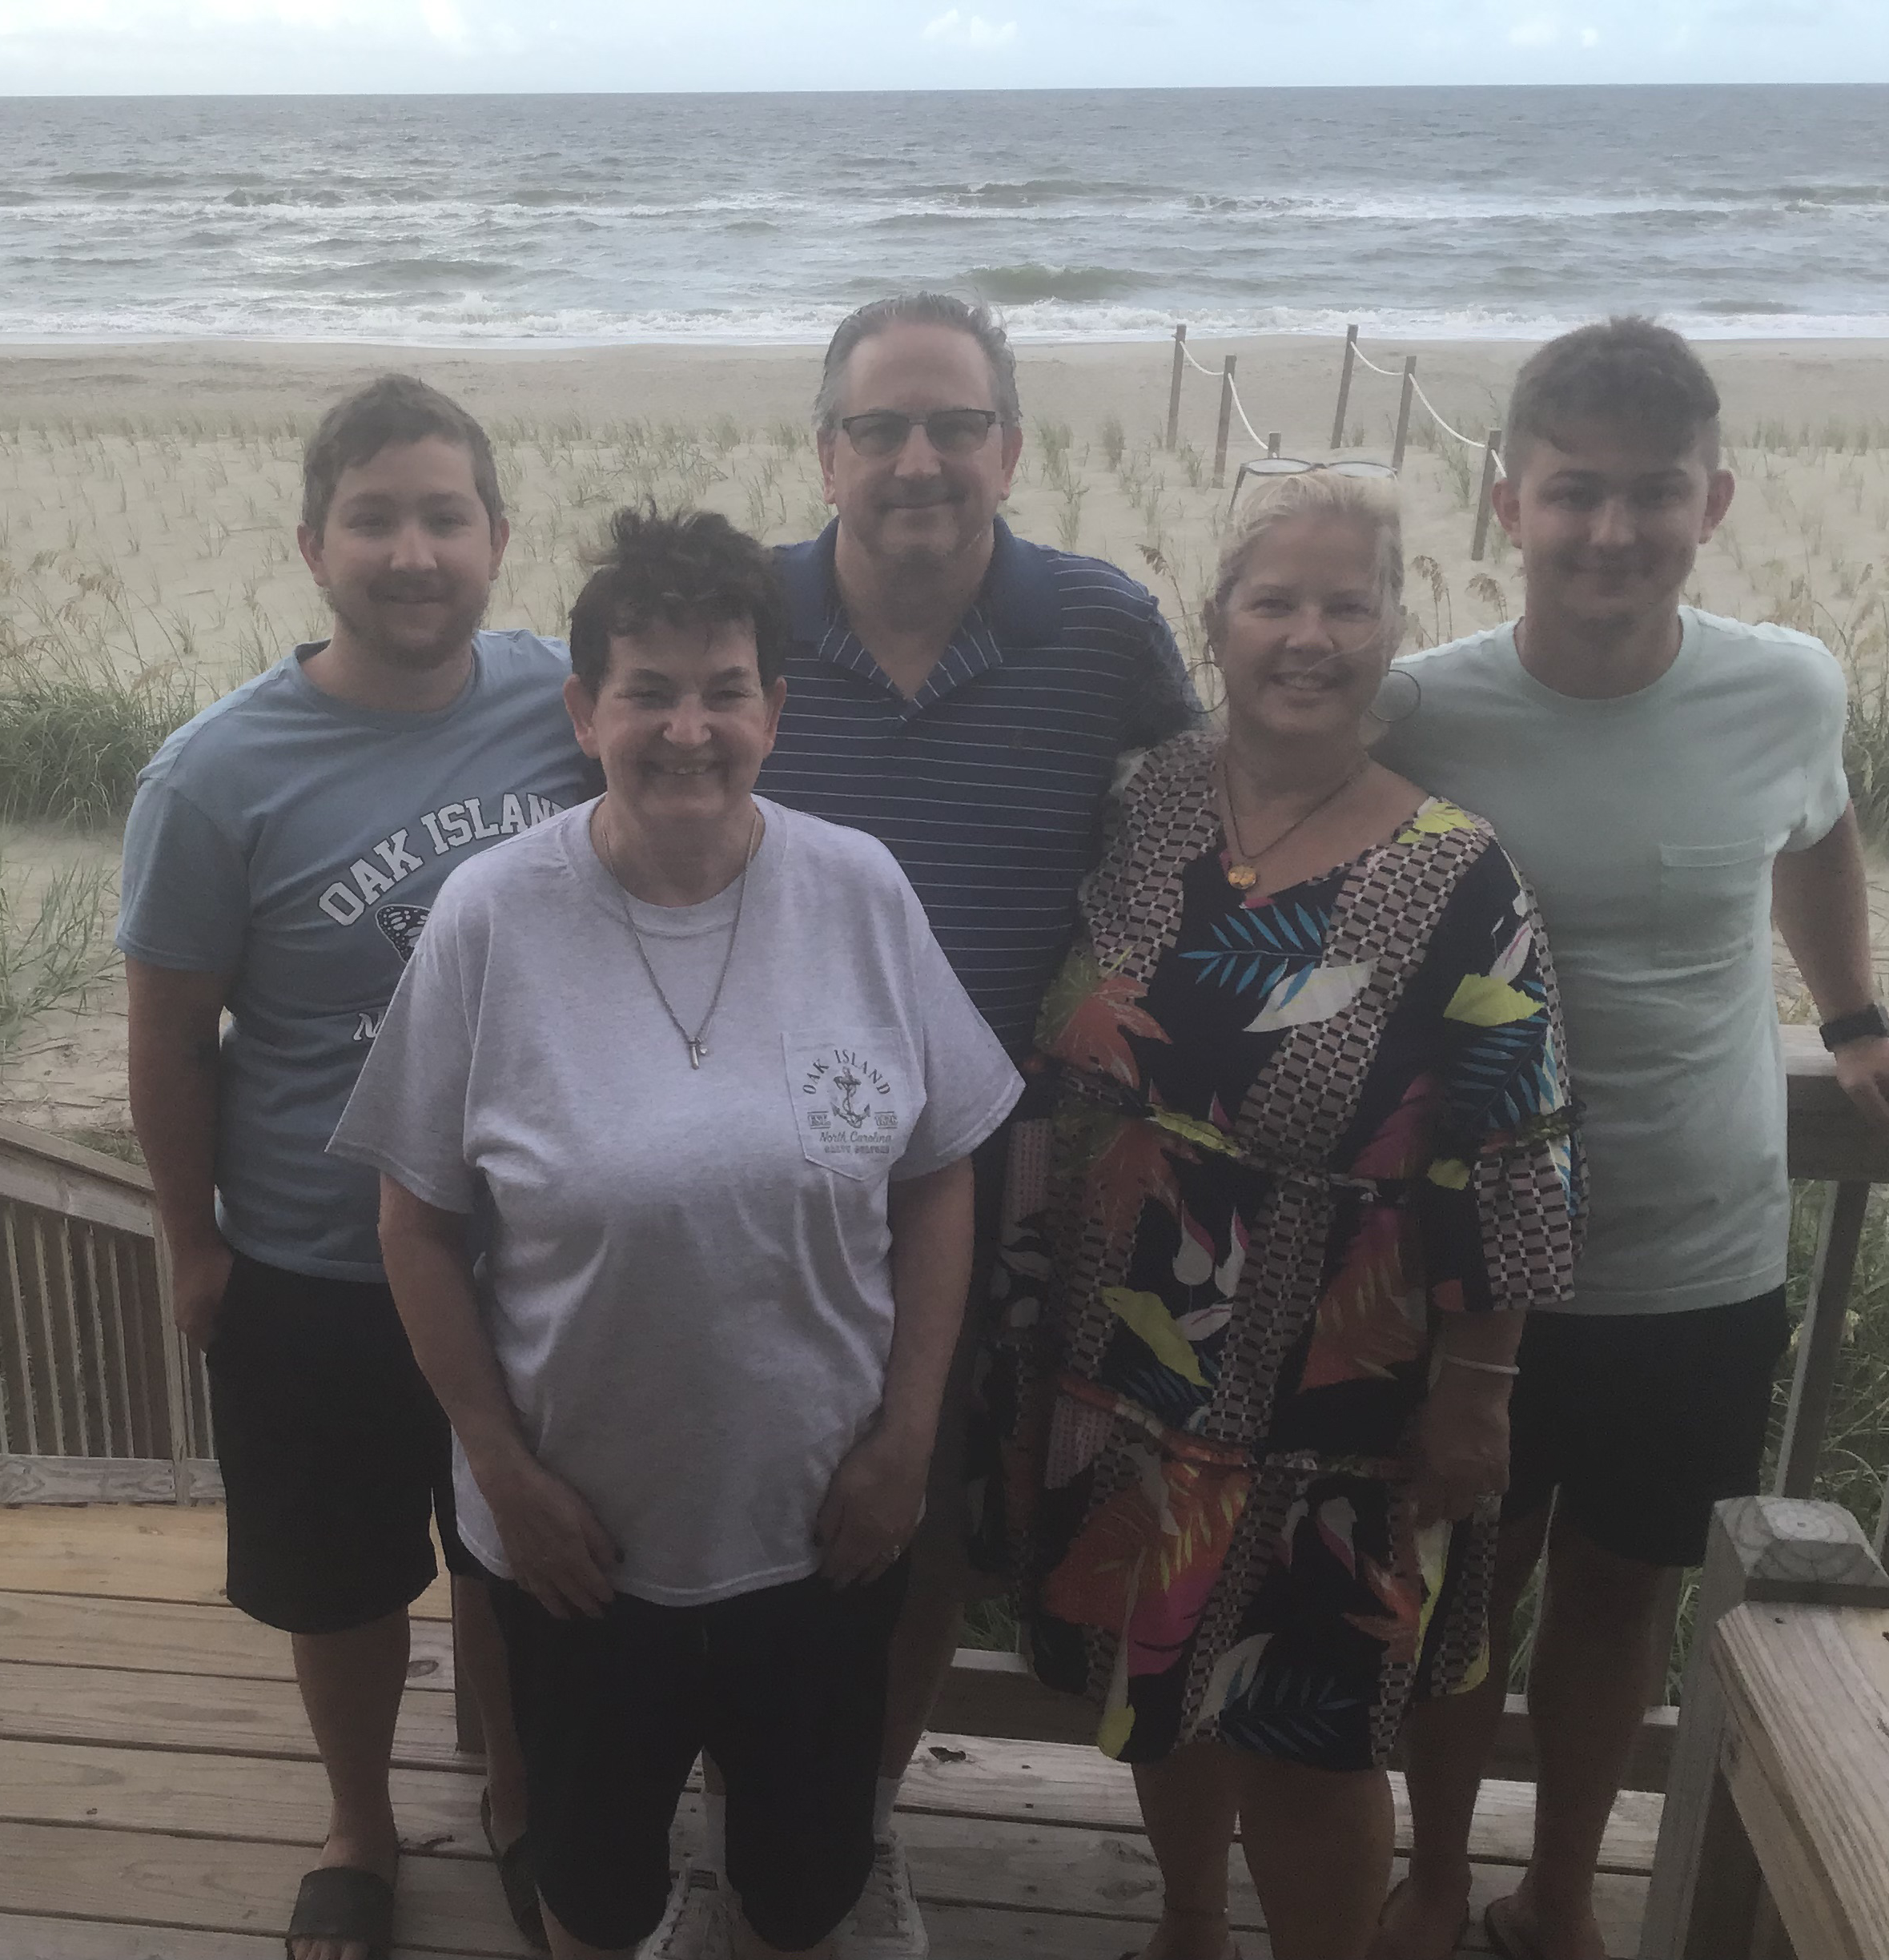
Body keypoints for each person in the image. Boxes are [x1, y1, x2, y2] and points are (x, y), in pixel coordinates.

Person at [328, 507, 1023, 1960]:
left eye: (724, 690)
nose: (689, 729)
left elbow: (940, 1172)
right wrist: (504, 1476)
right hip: (583, 1547)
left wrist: (906, 1441)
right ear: (587, 711)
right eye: (649, 691)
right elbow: (416, 1221)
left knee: (798, 1891)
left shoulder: (860, 892)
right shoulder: (491, 918)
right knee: (596, 1897)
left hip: (821, 1532)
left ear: (776, 709)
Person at [1370, 318, 1889, 1960]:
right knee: (1458, 1594)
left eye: (1653, 493)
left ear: (1718, 500)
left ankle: (1556, 1900)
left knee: (1619, 1600)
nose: (1613, 530)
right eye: (1575, 493)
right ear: (1508, 506)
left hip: (1699, 1247)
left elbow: (1818, 824)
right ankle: (1421, 1882)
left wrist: (1852, 1019)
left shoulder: (1786, 685)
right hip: (1473, 1264)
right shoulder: (1423, 709)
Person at [1003, 470, 1583, 1960]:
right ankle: (1189, 1928)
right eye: (1276, 601)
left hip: (1342, 1402)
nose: (1308, 636)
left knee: (1314, 1743)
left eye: (1347, 603)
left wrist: (1482, 1389)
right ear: (1219, 621)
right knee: (1161, 1682)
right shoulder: (1146, 809)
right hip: (1127, 1350)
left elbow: (1517, 1154)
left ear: (1397, 628)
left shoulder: (1458, 869)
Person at [709, 291, 1198, 1959]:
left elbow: (1215, 819)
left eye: (956, 426)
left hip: (986, 1173)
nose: (920, 462)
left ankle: (848, 1832)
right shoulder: (743, 613)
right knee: (729, 1503)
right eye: (880, 429)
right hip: (740, 1167)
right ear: (825, 449)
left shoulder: (1102, 627)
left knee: (911, 1520)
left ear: (1010, 445)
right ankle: (735, 1832)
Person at [120, 374, 585, 1960]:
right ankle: (360, 1824)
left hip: (530, 1257)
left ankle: (524, 1798)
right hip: (315, 1258)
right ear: (313, 544)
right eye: (374, 518)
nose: (412, 551)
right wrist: (193, 1243)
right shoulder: (213, 777)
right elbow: (173, 1034)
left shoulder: (563, 699)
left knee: (515, 1561)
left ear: (498, 539)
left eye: (444, 515)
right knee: (339, 1578)